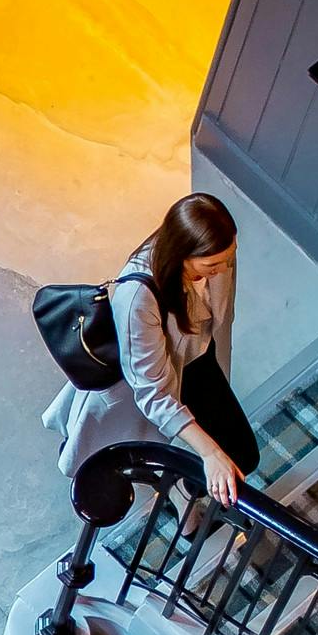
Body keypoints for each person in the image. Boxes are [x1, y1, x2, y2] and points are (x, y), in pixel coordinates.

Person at [43, 194, 253, 567]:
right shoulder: (138, 297)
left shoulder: (216, 255)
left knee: (242, 453)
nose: (223, 269)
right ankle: (182, 494)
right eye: (211, 265)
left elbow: (220, 315)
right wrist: (207, 453)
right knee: (189, 451)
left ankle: (186, 488)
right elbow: (153, 393)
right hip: (151, 380)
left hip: (194, 356)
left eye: (227, 259)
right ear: (182, 253)